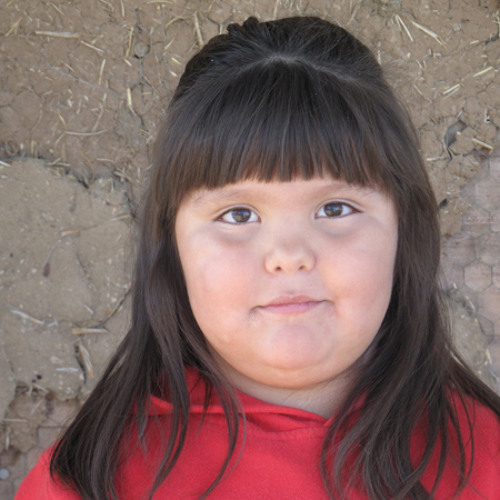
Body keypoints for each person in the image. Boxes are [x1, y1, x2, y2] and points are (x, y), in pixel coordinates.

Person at [16, 16, 500, 500]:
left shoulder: (484, 459)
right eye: (238, 214)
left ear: (404, 231)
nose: (289, 256)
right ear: (172, 245)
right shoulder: (93, 479)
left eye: (335, 209)